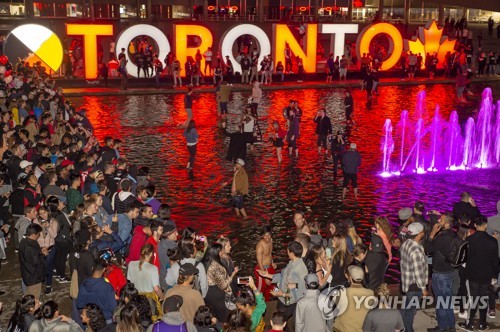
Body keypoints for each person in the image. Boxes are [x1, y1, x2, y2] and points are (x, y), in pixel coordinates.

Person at [458, 216, 499, 331]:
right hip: (486, 275)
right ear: (486, 225)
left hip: (472, 274)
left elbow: (464, 259)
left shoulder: (469, 240)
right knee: (483, 298)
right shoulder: (493, 241)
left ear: (475, 225)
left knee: (473, 299)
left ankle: (470, 324)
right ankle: (482, 324)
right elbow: (495, 261)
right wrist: (494, 275)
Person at [258, 241, 308, 326]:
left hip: (289, 302)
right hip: (282, 299)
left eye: (288, 251)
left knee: (280, 322)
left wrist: (283, 294)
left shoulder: (301, 269)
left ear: (292, 253)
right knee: (281, 318)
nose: (287, 253)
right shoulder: (291, 263)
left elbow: (301, 291)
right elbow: (282, 276)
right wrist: (267, 275)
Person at [423, 212, 456, 332]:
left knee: (441, 302)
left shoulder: (441, 237)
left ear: (446, 224)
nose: (438, 222)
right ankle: (451, 326)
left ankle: (442, 327)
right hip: (450, 271)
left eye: (441, 220)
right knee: (447, 300)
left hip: (440, 273)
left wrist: (432, 233)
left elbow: (428, 249)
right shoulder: (453, 234)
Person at [399, 222, 428, 332]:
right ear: (420, 234)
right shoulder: (416, 250)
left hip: (406, 281)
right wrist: (423, 288)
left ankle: (399, 326)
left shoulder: (405, 244)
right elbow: (418, 271)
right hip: (414, 285)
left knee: (406, 307)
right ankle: (408, 330)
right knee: (411, 311)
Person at [203, 243, 239, 323]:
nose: (223, 252)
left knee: (215, 316)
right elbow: (224, 285)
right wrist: (233, 274)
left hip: (209, 293)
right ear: (216, 252)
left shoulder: (206, 262)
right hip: (217, 294)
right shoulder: (214, 266)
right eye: (221, 250)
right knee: (225, 318)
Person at [333, 265, 374, 331]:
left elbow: (334, 306)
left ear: (350, 278)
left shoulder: (342, 292)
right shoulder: (370, 293)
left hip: (344, 329)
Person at [19, 223, 46, 300]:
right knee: (34, 301)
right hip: (33, 278)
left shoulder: (23, 241)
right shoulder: (30, 246)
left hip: (27, 275)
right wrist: (43, 254)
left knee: (28, 297)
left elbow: (30, 257)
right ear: (33, 235)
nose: (39, 236)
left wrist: (40, 251)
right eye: (38, 234)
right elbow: (36, 261)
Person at [254, 225, 276, 301]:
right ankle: (259, 306)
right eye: (265, 235)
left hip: (269, 267)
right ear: (262, 235)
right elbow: (260, 263)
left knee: (271, 287)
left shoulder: (271, 240)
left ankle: (267, 302)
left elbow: (269, 253)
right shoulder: (260, 246)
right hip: (262, 270)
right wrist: (266, 276)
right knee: (260, 290)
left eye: (269, 235)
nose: (267, 237)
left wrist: (272, 262)